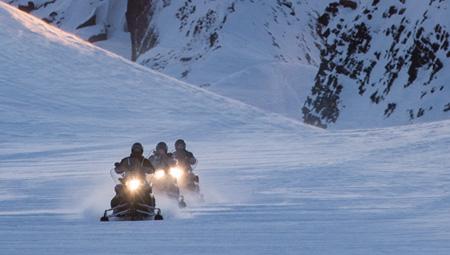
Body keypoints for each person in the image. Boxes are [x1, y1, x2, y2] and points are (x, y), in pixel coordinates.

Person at [111, 142, 155, 208]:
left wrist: (148, 169)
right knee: (119, 189)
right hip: (127, 180)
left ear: (141, 150)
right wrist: (118, 168)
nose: (137, 151)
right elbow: (118, 170)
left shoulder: (145, 161)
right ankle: (117, 206)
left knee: (147, 190)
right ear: (132, 150)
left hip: (141, 181)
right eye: (135, 149)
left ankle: (148, 205)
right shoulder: (126, 160)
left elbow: (151, 169)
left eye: (138, 149)